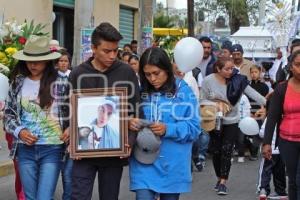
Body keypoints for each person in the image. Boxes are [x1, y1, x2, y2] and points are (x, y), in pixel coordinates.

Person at [68, 22, 140, 200]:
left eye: (115, 51)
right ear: (93, 48)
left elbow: (136, 109)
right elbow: (67, 109)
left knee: (109, 196)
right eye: (106, 51)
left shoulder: (126, 72)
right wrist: (71, 139)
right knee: (78, 196)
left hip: (114, 152)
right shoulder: (77, 73)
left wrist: (129, 140)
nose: (112, 55)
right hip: (83, 152)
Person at [129, 47, 200, 200]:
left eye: (156, 73)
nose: (152, 79)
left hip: (173, 164)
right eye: (147, 74)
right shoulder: (140, 92)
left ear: (167, 69)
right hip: (143, 160)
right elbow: (123, 118)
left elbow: (194, 128)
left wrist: (168, 129)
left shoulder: (183, 91)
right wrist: (130, 123)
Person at [3, 35, 69, 200]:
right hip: (25, 149)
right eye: (29, 60)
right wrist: (20, 131)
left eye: (38, 60)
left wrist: (70, 128)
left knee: (44, 197)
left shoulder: (62, 83)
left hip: (52, 148)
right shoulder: (17, 83)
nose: (33, 64)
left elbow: (73, 113)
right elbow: (8, 116)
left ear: (47, 60)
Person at [200, 57, 266, 195]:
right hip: (214, 120)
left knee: (227, 149)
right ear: (218, 69)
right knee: (216, 151)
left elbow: (252, 93)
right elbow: (201, 100)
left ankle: (223, 181)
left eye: (232, 68)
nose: (231, 71)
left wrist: (269, 103)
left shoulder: (238, 80)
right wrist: (216, 104)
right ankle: (219, 178)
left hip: (232, 121)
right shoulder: (208, 80)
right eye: (227, 69)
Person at [262, 50, 300, 200]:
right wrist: (266, 143)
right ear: (290, 67)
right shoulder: (282, 88)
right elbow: (272, 117)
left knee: (299, 179)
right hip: (287, 141)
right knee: (293, 180)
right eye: (298, 65)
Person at [55, 49, 73, 200]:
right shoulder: (51, 79)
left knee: (68, 173)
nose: (63, 63)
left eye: (65, 61)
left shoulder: (73, 77)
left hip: (70, 127)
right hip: (55, 128)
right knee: (54, 171)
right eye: (60, 60)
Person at [258, 116, 287, 200]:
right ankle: (281, 191)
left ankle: (263, 189)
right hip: (281, 150)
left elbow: (262, 133)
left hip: (269, 151)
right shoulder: (285, 117)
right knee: (280, 172)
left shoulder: (270, 118)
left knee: (265, 171)